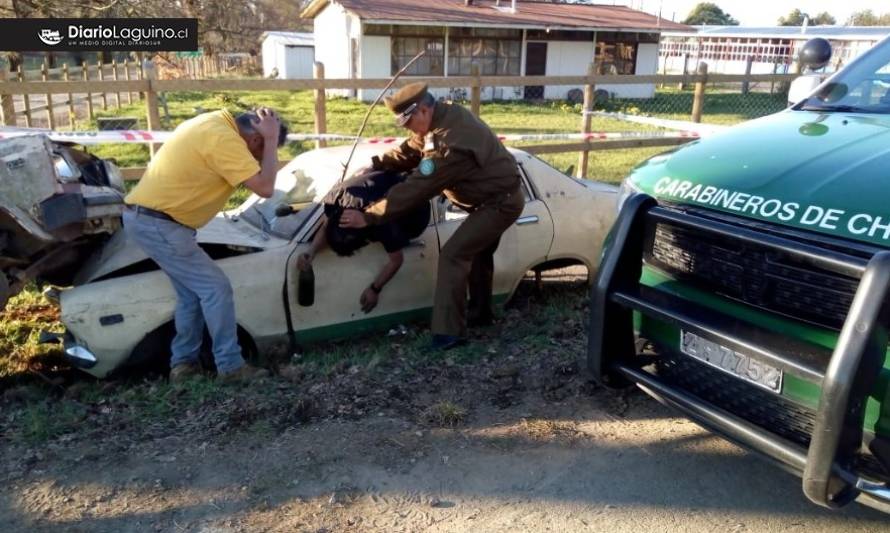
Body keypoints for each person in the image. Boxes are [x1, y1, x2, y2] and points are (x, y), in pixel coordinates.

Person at [339, 83, 523, 350]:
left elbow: (416, 188)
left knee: (454, 255)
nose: (407, 129)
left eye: (409, 122)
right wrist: (379, 163)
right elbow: (415, 146)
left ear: (423, 110)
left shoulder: (448, 146)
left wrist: (368, 217)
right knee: (478, 253)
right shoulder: (442, 116)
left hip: (500, 203)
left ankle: (449, 334)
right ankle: (481, 314)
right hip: (491, 199)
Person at [123, 108, 287, 383]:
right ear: (256, 140)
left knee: (192, 295)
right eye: (261, 153)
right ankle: (231, 366)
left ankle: (183, 365)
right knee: (215, 288)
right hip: (160, 224)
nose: (258, 161)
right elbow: (266, 187)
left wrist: (267, 142)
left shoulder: (212, 121)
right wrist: (272, 141)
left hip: (151, 220)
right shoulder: (224, 140)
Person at [297, 170, 430, 313]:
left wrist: (375, 289)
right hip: (380, 179)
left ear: (365, 240)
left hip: (416, 205)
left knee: (402, 230)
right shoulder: (333, 200)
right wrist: (311, 252)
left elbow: (396, 260)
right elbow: (326, 226)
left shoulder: (385, 225)